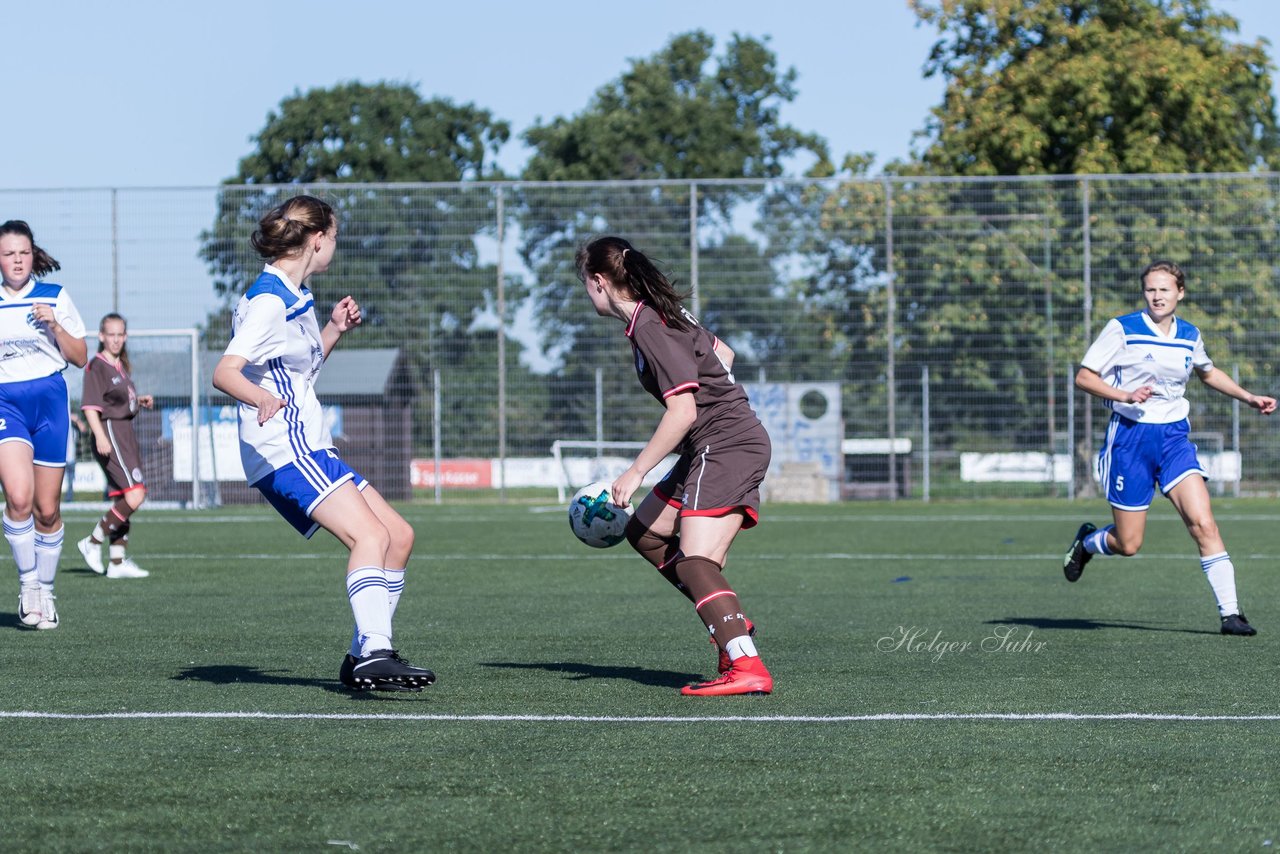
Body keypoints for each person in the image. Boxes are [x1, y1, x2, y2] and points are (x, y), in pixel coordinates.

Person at [212, 195, 434, 692]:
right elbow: (225, 372)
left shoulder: (295, 293)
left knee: (398, 537)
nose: (335, 246)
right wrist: (259, 397)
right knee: (369, 538)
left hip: (308, 444)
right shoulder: (271, 300)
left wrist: (333, 330)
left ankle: (361, 657)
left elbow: (299, 375)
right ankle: (376, 652)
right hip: (285, 448)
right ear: (317, 240)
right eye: (334, 237)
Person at [576, 235, 773, 696]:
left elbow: (682, 410)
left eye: (585, 284)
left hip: (725, 444)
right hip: (716, 441)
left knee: (696, 560)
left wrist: (635, 471)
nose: (587, 293)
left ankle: (746, 665)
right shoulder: (661, 313)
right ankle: (731, 622)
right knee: (645, 531)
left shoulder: (649, 323)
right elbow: (723, 355)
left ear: (600, 282)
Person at [1063, 260, 1276, 635]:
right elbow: (1084, 376)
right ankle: (1088, 542)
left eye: (1164, 289)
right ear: (1143, 292)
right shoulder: (1122, 328)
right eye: (1150, 289)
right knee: (1128, 543)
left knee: (1203, 523)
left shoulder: (1189, 334)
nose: (1157, 296)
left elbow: (1207, 372)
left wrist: (1248, 397)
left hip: (1174, 438)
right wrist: (1124, 394)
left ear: (1180, 292)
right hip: (1129, 440)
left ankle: (1231, 614)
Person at [0, 220, 88, 630]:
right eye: (8, 253)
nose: (16, 260)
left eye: (23, 252)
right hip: (6, 402)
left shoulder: (55, 296)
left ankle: (48, 593)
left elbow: (82, 357)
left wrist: (54, 324)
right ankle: (29, 585)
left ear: (33, 254)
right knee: (19, 499)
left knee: (47, 510)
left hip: (50, 401)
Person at [76, 313, 153, 579]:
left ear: (126, 336)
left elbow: (118, 401)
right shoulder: (97, 365)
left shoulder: (120, 366)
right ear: (101, 336)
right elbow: (90, 406)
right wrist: (99, 436)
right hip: (110, 434)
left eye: (120, 334)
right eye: (111, 334)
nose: (116, 339)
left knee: (126, 497)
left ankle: (117, 562)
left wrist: (138, 400)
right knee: (135, 494)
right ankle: (93, 541)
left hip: (124, 433)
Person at [64, 410, 86, 502]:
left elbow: (83, 430)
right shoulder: (63, 425)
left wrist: (77, 420)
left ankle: (69, 499)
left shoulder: (74, 428)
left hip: (71, 459)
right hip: (61, 459)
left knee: (70, 481)